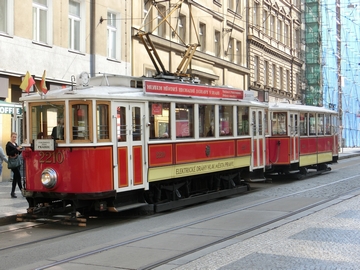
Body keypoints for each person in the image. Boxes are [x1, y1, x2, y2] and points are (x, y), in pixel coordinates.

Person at [6, 132, 23, 198]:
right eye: (13, 137)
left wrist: (20, 149)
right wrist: (16, 149)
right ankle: (22, 190)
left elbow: (18, 152)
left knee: (15, 178)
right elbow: (8, 153)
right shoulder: (8, 144)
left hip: (17, 161)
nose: (14, 138)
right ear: (11, 137)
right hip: (13, 162)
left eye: (15, 137)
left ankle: (12, 192)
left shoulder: (15, 144)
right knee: (18, 176)